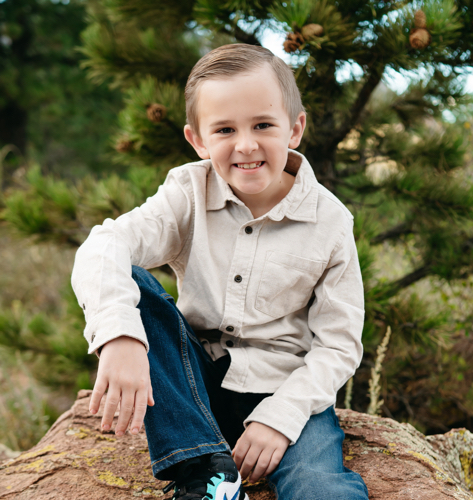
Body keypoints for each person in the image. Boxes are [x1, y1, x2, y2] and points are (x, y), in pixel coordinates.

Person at [72, 43, 369, 500]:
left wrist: (281, 418)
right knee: (133, 281)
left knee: (320, 488)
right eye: (225, 129)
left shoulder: (330, 222)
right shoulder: (188, 191)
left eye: (263, 125)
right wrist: (120, 336)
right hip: (197, 386)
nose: (246, 144)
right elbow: (104, 245)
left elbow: (340, 344)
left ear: (295, 128)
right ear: (198, 140)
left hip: (284, 390)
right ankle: (207, 475)